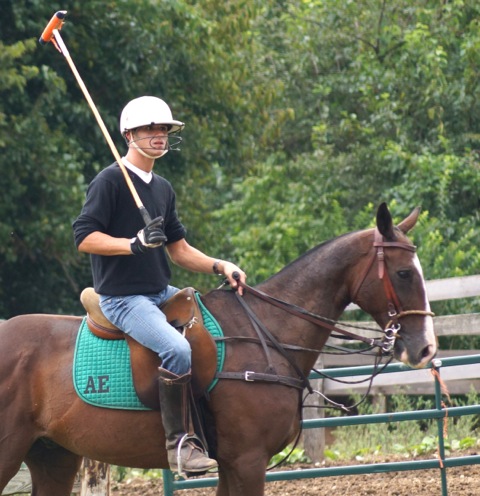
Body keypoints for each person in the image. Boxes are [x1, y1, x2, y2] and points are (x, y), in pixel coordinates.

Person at [73, 95, 246, 474]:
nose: (159, 135)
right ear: (129, 134)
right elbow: (84, 236)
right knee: (178, 351)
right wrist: (132, 244)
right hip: (122, 298)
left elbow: (179, 250)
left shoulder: (163, 188)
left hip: (160, 293)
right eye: (150, 128)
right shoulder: (110, 181)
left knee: (216, 329)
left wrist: (220, 265)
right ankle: (179, 445)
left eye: (164, 129)